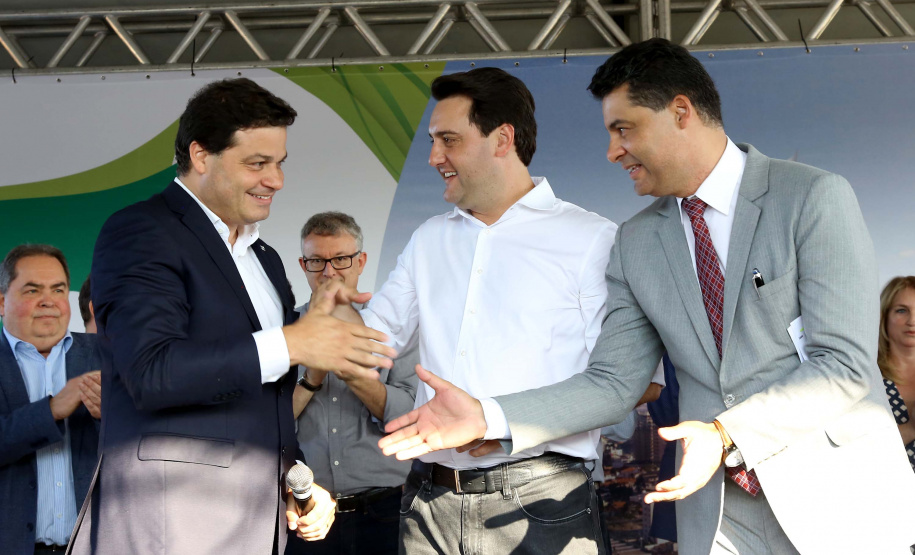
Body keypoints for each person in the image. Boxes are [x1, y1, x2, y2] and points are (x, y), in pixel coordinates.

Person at [379, 39, 915, 554]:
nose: (612, 151)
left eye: (624, 129)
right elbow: (613, 383)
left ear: (681, 112)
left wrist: (725, 434)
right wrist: (487, 416)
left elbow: (843, 363)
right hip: (717, 509)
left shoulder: (812, 197)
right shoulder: (635, 241)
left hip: (836, 497)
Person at [69, 78, 396, 555]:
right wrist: (294, 343)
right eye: (257, 163)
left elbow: (262, 405)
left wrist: (298, 482)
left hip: (258, 525)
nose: (276, 180)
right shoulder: (140, 231)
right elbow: (152, 373)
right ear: (201, 155)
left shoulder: (265, 259)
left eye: (280, 163)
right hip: (172, 526)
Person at [342, 66, 621, 554]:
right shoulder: (429, 239)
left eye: (448, 140)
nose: (434, 157)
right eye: (433, 141)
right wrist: (329, 326)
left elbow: (626, 381)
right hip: (429, 503)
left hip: (541, 503)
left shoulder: (592, 240)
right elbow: (372, 339)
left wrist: (499, 423)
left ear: (502, 139)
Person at [286, 212, 417, 555]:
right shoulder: (283, 331)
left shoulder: (396, 329)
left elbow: (411, 417)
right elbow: (269, 423)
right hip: (308, 513)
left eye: (341, 259)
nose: (329, 272)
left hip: (389, 510)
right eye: (317, 261)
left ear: (361, 261)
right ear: (303, 265)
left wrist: (352, 373)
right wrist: (312, 377)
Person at [0, 244, 101, 555]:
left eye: (58, 290)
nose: (48, 301)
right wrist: (52, 409)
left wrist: (110, 416)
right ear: (2, 302)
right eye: (32, 290)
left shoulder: (108, 356)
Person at [879, 276, 915, 471]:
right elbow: (853, 450)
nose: (912, 321)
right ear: (884, 316)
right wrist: (911, 428)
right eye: (902, 310)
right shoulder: (866, 375)